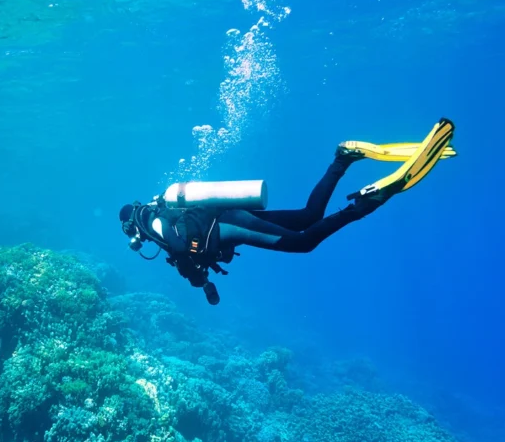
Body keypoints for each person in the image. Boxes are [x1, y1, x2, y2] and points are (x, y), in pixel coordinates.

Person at [119, 118, 455, 305]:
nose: (135, 241)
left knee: (303, 242)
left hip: (227, 225)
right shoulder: (159, 211)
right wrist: (202, 280)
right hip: (227, 218)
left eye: (130, 235)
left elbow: (179, 246)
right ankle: (342, 158)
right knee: (308, 216)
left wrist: (189, 268)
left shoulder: (152, 222)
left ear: (131, 225)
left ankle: (366, 203)